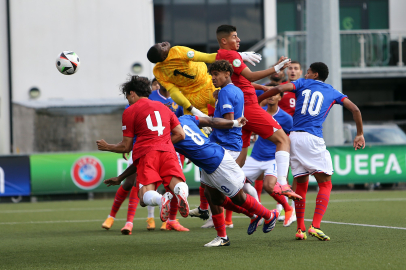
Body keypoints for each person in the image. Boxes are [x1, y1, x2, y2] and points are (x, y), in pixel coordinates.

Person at [258, 62, 365, 241]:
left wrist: (257, 101)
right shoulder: (332, 91)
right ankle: (315, 226)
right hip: (312, 138)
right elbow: (355, 109)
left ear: (315, 74)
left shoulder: (301, 84)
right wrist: (359, 134)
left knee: (301, 184)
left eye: (307, 72)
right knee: (326, 183)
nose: (305, 75)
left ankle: (300, 229)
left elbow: (278, 88)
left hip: (293, 137)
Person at [97, 75, 190, 232]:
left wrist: (108, 147)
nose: (127, 101)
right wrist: (163, 142)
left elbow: (126, 147)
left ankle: (162, 200)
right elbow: (181, 134)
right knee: (176, 184)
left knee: (143, 195)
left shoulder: (130, 111)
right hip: (168, 151)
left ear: (132, 93)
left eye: (127, 96)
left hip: (147, 155)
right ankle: (182, 194)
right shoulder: (164, 108)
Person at [215, 25, 296, 200]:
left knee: (240, 160)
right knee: (283, 139)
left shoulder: (222, 56)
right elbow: (250, 77)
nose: (238, 40)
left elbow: (244, 81)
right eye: (234, 37)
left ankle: (225, 193)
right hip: (249, 107)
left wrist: (264, 83)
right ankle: (282, 183)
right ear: (224, 40)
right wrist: (275, 69)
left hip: (240, 109)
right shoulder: (231, 55)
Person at [174, 114, 280, 247]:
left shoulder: (168, 133)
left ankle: (269, 215)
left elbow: (180, 137)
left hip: (215, 162)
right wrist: (234, 123)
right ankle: (223, 237)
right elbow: (211, 120)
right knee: (213, 197)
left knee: (239, 198)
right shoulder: (184, 118)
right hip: (209, 161)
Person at [147, 42, 261, 116]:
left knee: (197, 130)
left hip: (191, 98)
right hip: (209, 87)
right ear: (162, 56)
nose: (164, 43)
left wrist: (191, 108)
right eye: (162, 47)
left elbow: (174, 92)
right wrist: (237, 55)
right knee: (231, 115)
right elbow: (206, 57)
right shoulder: (177, 51)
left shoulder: (157, 71)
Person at [242, 92, 297, 227]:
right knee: (236, 183)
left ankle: (288, 209)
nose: (271, 96)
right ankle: (258, 209)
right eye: (269, 94)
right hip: (255, 156)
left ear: (280, 97)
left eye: (275, 94)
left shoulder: (286, 118)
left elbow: (289, 139)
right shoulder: (259, 113)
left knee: (269, 186)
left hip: (272, 158)